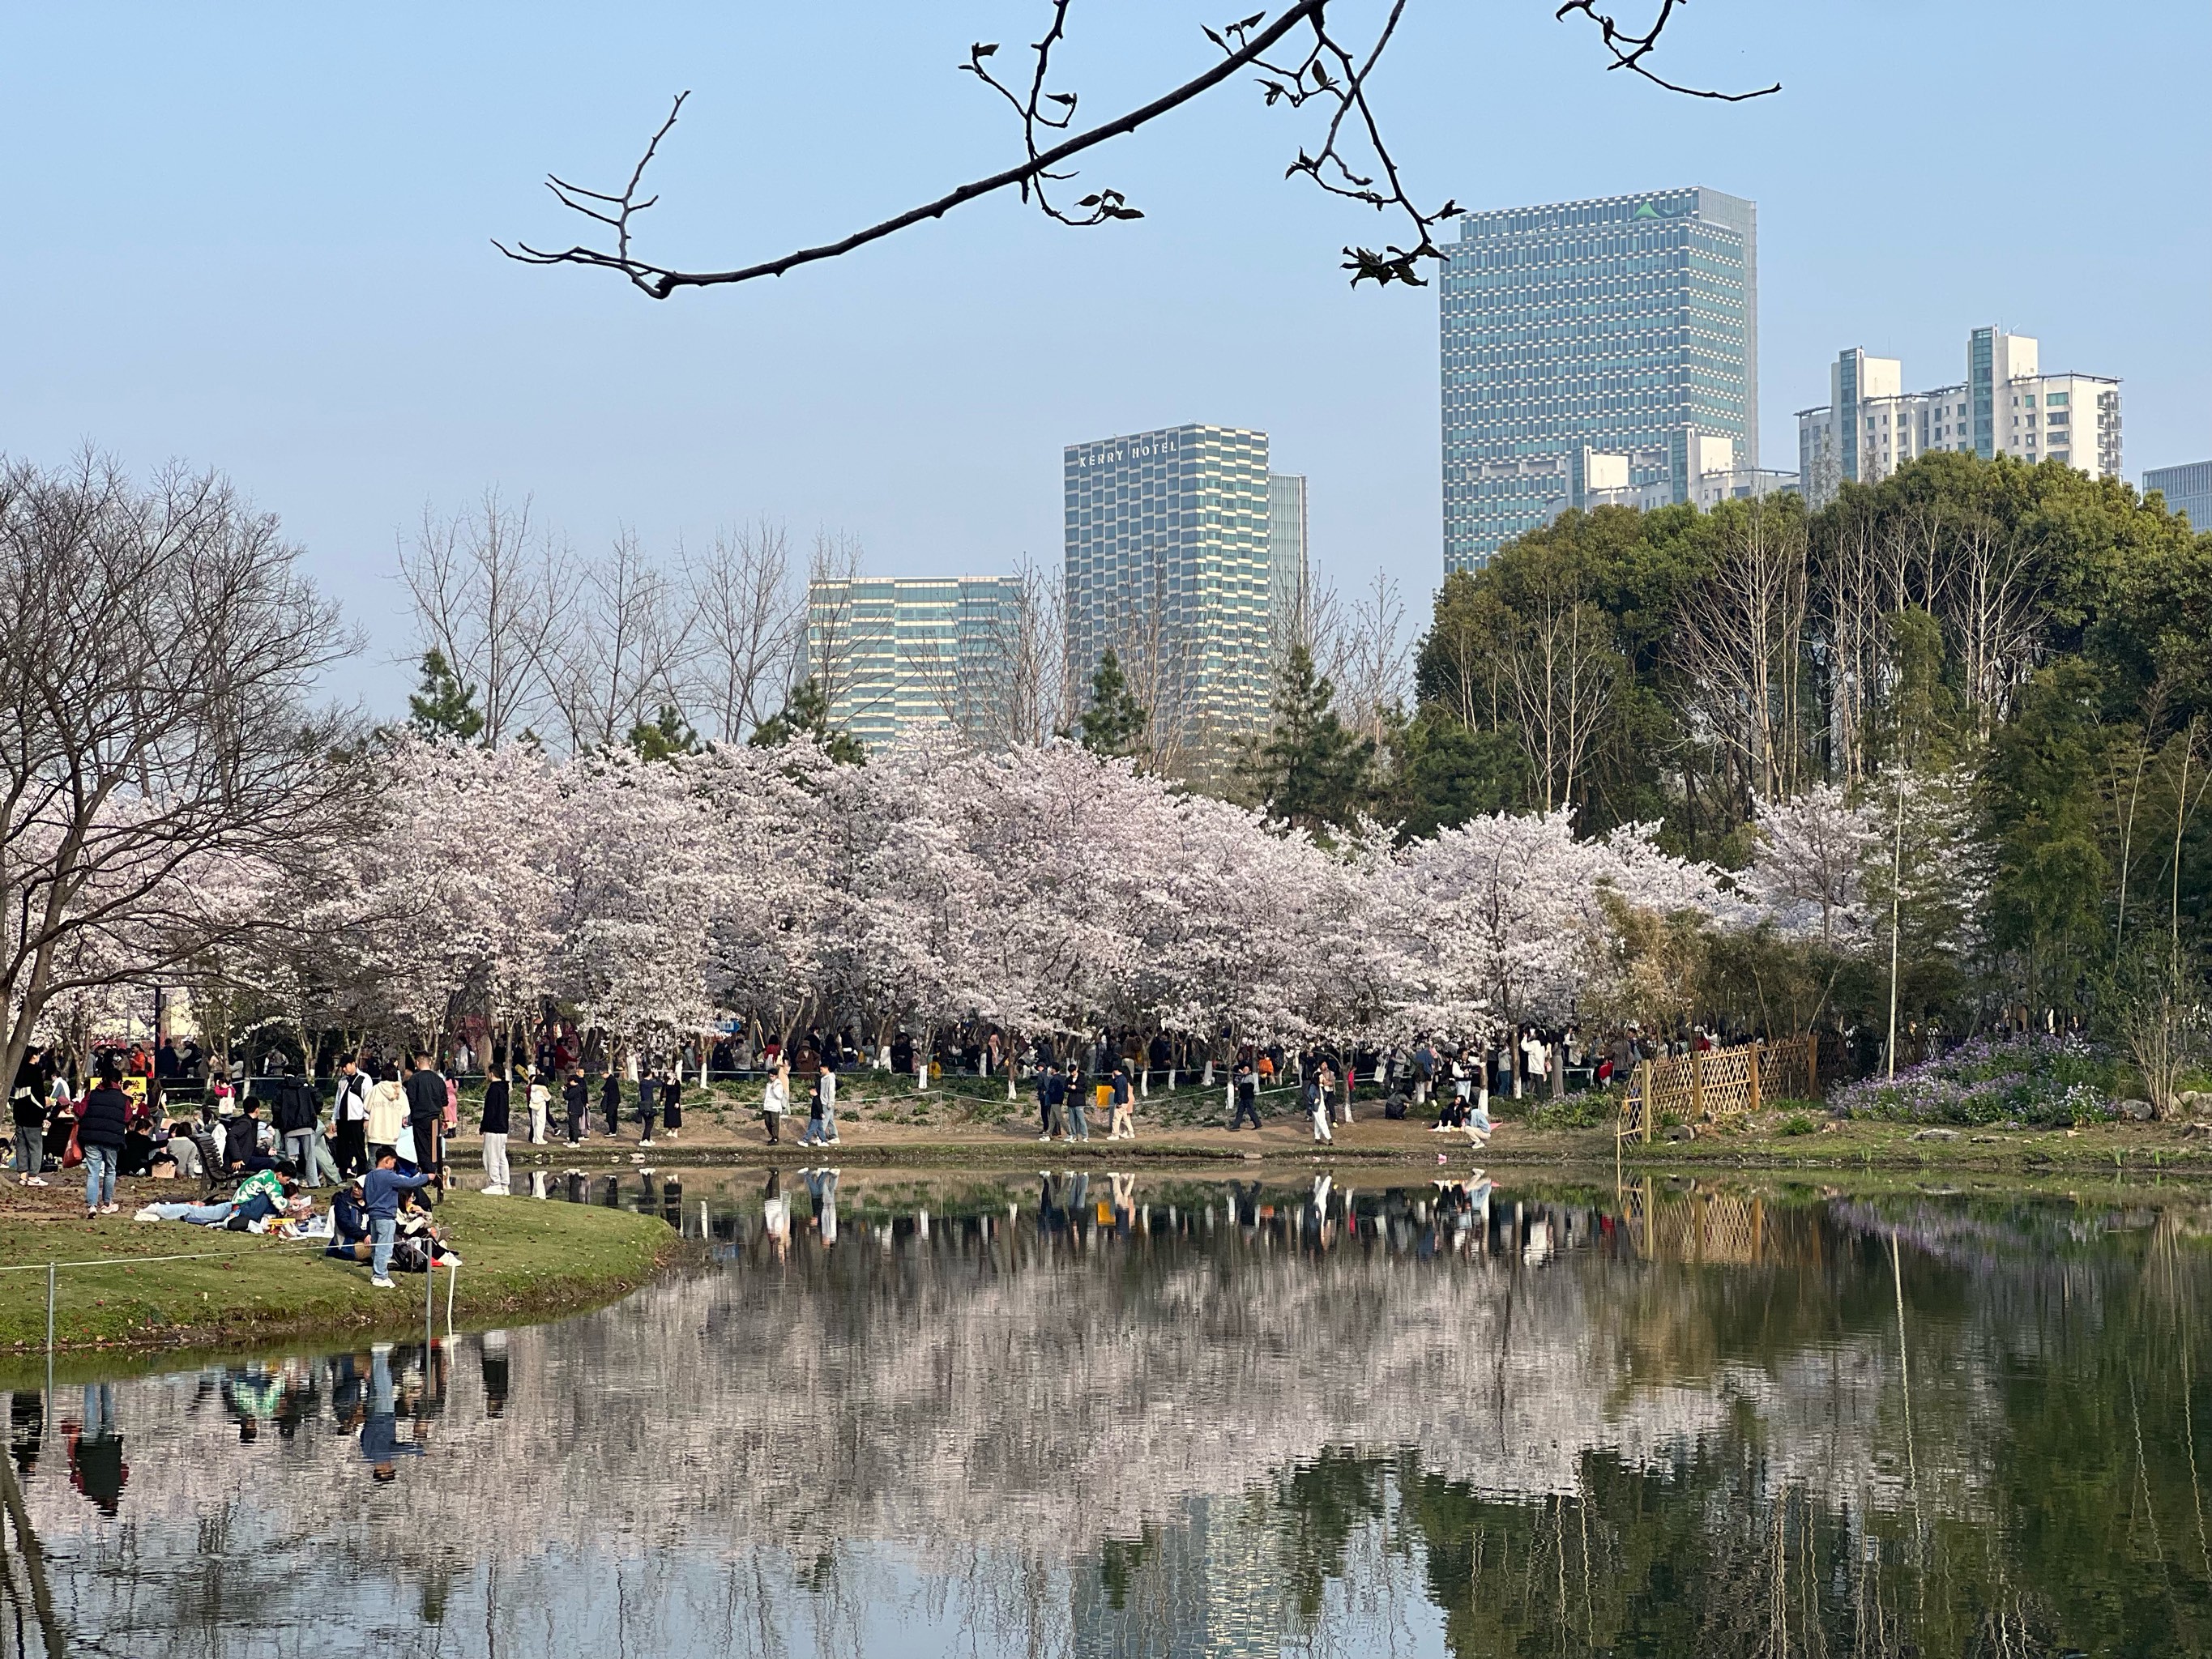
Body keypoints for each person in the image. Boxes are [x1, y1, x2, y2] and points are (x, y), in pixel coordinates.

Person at [363, 1150, 432, 1289]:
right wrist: (427, 1177)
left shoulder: (369, 1176)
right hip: (386, 1216)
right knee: (385, 1246)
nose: (394, 1166)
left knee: (376, 1246)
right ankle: (380, 1275)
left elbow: (365, 1195)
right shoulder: (388, 1176)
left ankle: (376, 1273)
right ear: (387, 1160)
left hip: (373, 1215)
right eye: (393, 1162)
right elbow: (409, 1182)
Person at [78, 1060, 130, 1218]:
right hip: (112, 1139)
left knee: (93, 1172)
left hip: (91, 1138)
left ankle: (92, 1205)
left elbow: (80, 1111)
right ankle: (107, 1204)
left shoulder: (92, 1094)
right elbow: (127, 1117)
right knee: (110, 1170)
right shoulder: (123, 1099)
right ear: (119, 1082)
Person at [401, 1053, 447, 1190]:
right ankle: (435, 1172)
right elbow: (444, 1100)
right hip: (435, 1119)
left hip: (420, 1118)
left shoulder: (415, 1079)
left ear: (417, 1062)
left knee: (422, 1148)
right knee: (434, 1148)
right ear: (430, 1062)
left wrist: (405, 1116)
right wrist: (446, 1118)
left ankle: (430, 1175)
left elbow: (410, 1100)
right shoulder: (438, 1080)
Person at [11, 1047, 49, 1186]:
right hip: (32, 1115)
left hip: (20, 1114)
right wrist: (44, 1110)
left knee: (21, 1145)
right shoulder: (34, 1072)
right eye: (38, 1054)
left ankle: (23, 1175)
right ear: (33, 1056)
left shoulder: (18, 1071)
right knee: (35, 1146)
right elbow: (38, 1095)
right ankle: (33, 1176)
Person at [331, 1056, 370, 1177]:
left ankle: (362, 1174)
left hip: (357, 1119)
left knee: (359, 1148)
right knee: (342, 1149)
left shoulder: (364, 1079)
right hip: (343, 1119)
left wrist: (366, 1117)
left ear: (353, 1064)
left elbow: (368, 1099)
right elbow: (338, 1100)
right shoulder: (342, 1081)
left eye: (346, 1066)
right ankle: (342, 1174)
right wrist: (334, 1119)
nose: (344, 1069)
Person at [479, 1064, 511, 1196]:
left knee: (490, 1157)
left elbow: (489, 1111)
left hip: (493, 1128)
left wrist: (483, 1126)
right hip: (503, 1128)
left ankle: (495, 1183)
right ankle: (504, 1184)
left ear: (492, 1073)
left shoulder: (494, 1089)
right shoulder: (504, 1088)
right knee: (501, 1157)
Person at [364, 1064, 406, 1162]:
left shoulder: (375, 1089)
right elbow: (406, 1111)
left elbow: (366, 1106)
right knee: (390, 1163)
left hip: (375, 1133)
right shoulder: (400, 1092)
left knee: (374, 1162)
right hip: (392, 1134)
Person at [223, 1099, 263, 1175]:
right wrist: (237, 1158)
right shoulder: (245, 1123)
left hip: (244, 1158)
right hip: (240, 1162)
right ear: (257, 1110)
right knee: (271, 1163)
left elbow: (248, 1147)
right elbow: (231, 1136)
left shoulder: (249, 1121)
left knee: (270, 1160)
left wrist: (266, 1152)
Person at [762, 1060, 790, 1145]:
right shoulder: (768, 1084)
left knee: (774, 1123)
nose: (771, 1078)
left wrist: (774, 1088)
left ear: (776, 1076)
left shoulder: (778, 1084)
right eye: (770, 1076)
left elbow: (779, 1096)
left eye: (772, 1076)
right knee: (767, 1122)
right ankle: (773, 1136)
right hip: (768, 1106)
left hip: (774, 1107)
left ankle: (775, 1138)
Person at [1231, 1059, 1262, 1131]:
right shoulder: (1242, 1078)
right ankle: (1236, 1126)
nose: (1244, 1070)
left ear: (1250, 1071)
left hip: (1249, 1097)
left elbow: (1249, 1087)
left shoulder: (1250, 1077)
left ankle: (1258, 1124)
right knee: (1240, 1111)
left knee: (1251, 1111)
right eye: (1244, 1069)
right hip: (1243, 1098)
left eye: (1246, 1069)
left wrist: (1240, 1088)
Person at [1305, 1066, 1333, 1145]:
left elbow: (1325, 1096)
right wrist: (1314, 1100)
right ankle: (1329, 1137)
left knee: (1318, 1123)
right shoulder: (1313, 1086)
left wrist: (1325, 1086)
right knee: (1322, 1122)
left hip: (1321, 1107)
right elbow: (1310, 1095)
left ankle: (1317, 1138)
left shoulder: (1321, 1087)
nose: (1322, 1078)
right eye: (1321, 1077)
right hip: (1316, 1107)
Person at [1063, 1063, 1090, 1142]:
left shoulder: (1082, 1078)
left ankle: (1085, 1136)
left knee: (1081, 1120)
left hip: (1079, 1102)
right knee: (1072, 1121)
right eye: (1070, 1072)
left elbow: (1084, 1089)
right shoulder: (1068, 1079)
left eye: (1073, 1072)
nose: (1072, 1073)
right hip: (1071, 1102)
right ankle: (1075, 1136)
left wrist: (1076, 1088)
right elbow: (1065, 1088)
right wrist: (1070, 1087)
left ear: (1076, 1070)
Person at [1108, 1064, 1135, 1141]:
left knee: (1116, 1119)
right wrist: (1113, 1079)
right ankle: (1131, 1132)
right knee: (1126, 1117)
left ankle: (1115, 1134)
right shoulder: (1124, 1079)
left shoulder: (1120, 1079)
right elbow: (1115, 1086)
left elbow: (1120, 1091)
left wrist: (1119, 1102)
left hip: (1122, 1101)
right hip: (1126, 1101)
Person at [525, 1066, 550, 1146]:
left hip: (533, 1106)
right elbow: (548, 1097)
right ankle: (540, 1139)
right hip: (541, 1106)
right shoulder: (543, 1089)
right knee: (541, 1123)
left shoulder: (533, 1088)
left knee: (535, 1123)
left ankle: (535, 1138)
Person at [563, 1069, 588, 1146]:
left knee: (574, 1126)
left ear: (573, 1081)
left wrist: (564, 1091)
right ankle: (571, 1140)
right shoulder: (578, 1088)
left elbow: (567, 1096)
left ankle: (575, 1141)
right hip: (576, 1109)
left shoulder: (575, 1089)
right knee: (572, 1125)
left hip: (574, 1109)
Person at [637, 1069, 659, 1148]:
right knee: (650, 1123)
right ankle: (644, 1140)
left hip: (643, 1105)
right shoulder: (650, 1083)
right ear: (650, 1074)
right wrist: (657, 1076)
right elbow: (661, 1084)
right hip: (648, 1105)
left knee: (647, 1122)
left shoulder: (642, 1082)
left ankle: (648, 1139)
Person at [659, 1071, 681, 1141]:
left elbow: (678, 1093)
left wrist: (677, 1102)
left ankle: (676, 1131)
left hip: (675, 1100)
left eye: (669, 1072)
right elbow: (662, 1091)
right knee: (668, 1115)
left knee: (676, 1115)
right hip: (668, 1100)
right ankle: (670, 1130)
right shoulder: (666, 1081)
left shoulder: (677, 1082)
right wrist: (661, 1099)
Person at [600, 1068, 621, 1139]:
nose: (602, 1077)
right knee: (613, 1116)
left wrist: (602, 1089)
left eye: (602, 1076)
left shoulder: (611, 1080)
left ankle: (612, 1131)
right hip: (614, 1100)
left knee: (610, 1116)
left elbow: (606, 1087)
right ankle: (613, 1130)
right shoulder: (611, 1079)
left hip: (613, 1100)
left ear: (605, 1074)